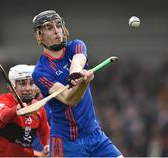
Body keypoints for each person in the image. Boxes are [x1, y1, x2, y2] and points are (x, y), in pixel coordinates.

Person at [32, 10, 123, 157]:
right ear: (39, 35)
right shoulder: (40, 72)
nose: (57, 31)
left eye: (58, 25)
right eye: (49, 28)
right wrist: (83, 83)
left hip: (94, 135)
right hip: (66, 142)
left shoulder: (76, 45)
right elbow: (69, 99)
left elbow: (78, 60)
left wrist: (76, 73)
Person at [0, 64, 50, 157]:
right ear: (11, 87)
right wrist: (15, 111)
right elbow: (1, 115)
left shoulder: (39, 107)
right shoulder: (3, 100)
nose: (28, 88)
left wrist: (47, 145)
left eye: (32, 83)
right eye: (22, 83)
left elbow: (45, 132)